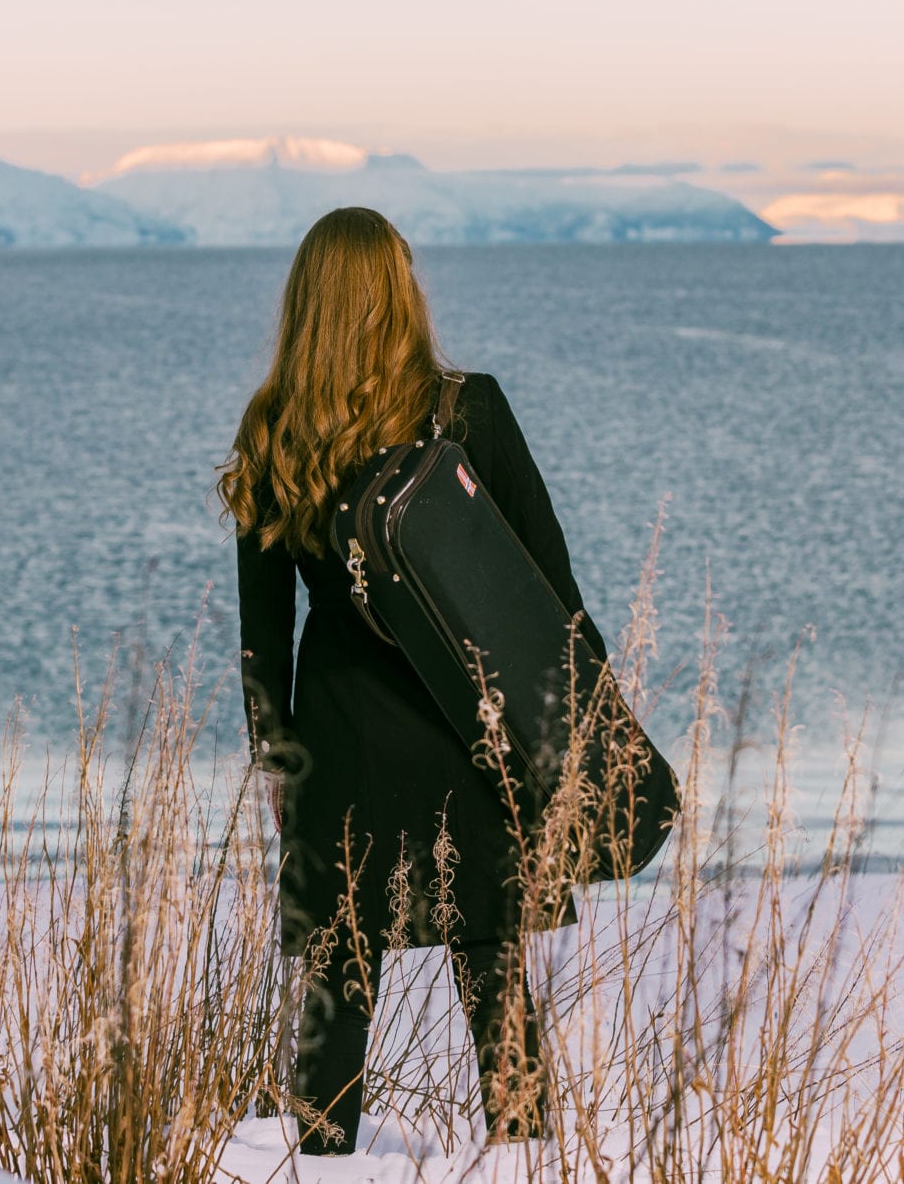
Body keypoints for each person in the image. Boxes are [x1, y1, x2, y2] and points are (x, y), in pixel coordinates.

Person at [219, 206, 585, 1156]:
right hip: (472, 731)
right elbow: (550, 594)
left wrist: (280, 770)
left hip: (340, 745)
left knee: (337, 981)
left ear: (307, 303)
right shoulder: (470, 410)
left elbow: (264, 638)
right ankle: (525, 1163)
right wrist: (578, 741)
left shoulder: (275, 433)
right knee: (496, 973)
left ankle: (318, 1164)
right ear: (398, 289)